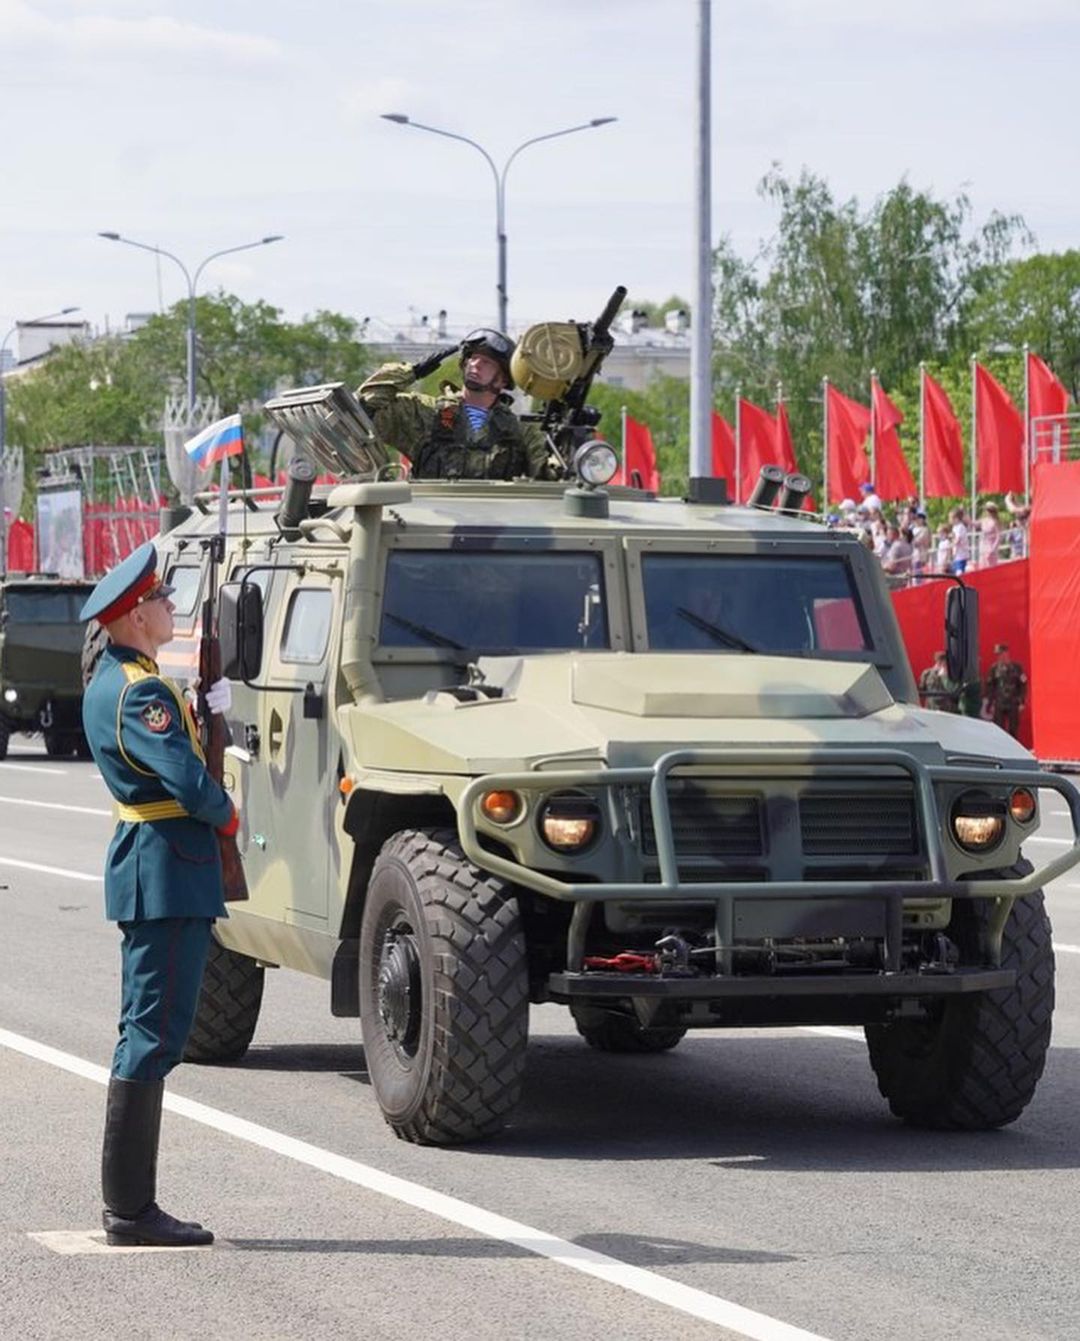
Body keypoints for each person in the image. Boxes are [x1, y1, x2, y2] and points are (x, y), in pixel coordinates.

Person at [80, 542, 237, 1248]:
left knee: (149, 1034)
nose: (172, 607)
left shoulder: (134, 677)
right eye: (163, 600)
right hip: (166, 870)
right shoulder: (140, 691)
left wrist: (206, 708)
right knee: (150, 1038)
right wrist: (227, 809)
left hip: (161, 868)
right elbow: (185, 783)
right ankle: (130, 1209)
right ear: (137, 614)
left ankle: (131, 1204)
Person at [357, 329, 553, 481]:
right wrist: (411, 371)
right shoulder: (427, 414)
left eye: (486, 362)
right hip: (430, 521)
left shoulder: (519, 432)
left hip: (497, 523)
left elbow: (550, 476)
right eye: (472, 358)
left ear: (503, 380)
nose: (475, 364)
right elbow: (365, 407)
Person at [984, 640, 1028, 738]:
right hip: (999, 703)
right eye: (998, 655)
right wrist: (989, 703)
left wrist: (1022, 701)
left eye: (1001, 654)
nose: (999, 657)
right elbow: (990, 686)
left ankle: (1013, 751)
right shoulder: (994, 668)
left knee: (1013, 728)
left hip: (1013, 702)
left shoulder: (1017, 668)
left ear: (1006, 653)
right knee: (998, 729)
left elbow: (1022, 685)